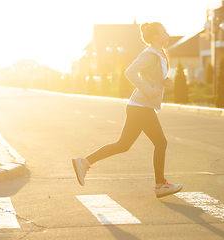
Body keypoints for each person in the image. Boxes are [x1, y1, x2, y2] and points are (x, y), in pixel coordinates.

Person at [72, 22, 183, 198]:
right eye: (164, 32)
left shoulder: (159, 54)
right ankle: (160, 185)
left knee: (123, 145)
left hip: (138, 106)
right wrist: (147, 89)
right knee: (161, 142)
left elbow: (149, 77)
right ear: (156, 36)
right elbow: (130, 72)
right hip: (140, 107)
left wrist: (163, 83)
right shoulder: (150, 54)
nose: (168, 34)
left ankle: (83, 162)